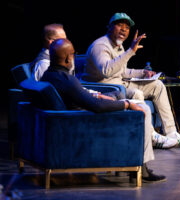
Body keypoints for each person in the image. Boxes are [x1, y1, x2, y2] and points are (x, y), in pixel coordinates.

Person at [41, 38, 166, 182]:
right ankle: (140, 166)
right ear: (69, 58)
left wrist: (97, 95)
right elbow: (97, 106)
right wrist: (126, 104)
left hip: (81, 113)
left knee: (122, 96)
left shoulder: (49, 75)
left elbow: (80, 96)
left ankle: (134, 163)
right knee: (141, 109)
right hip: (88, 122)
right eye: (73, 54)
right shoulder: (67, 80)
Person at [84, 12, 180, 148]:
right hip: (106, 88)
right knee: (137, 93)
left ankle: (172, 133)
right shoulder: (101, 46)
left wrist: (143, 73)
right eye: (120, 25)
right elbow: (106, 71)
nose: (124, 29)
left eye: (127, 27)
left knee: (157, 85)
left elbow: (121, 71)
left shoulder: (119, 46)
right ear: (109, 27)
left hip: (119, 84)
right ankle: (151, 136)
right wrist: (131, 51)